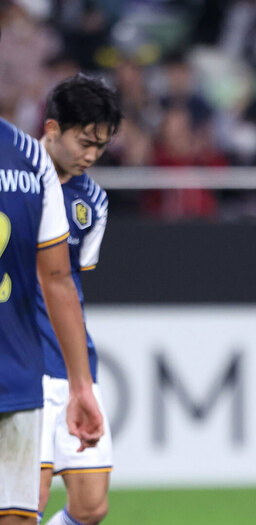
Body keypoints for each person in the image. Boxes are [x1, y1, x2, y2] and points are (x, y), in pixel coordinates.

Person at [0, 114, 103, 523]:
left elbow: (60, 282)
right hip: (20, 372)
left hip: (21, 377)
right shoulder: (30, 159)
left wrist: (79, 383)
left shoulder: (33, 158)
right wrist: (81, 386)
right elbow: (57, 278)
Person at [32, 75, 120, 525]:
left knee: (91, 506)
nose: (91, 154)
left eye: (100, 147)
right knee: (29, 499)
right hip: (22, 360)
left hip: (72, 364)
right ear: (51, 128)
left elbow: (71, 284)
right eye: (84, 141)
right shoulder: (15, 186)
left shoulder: (93, 201)